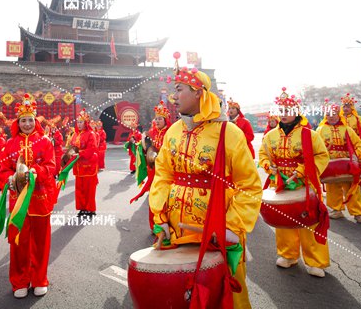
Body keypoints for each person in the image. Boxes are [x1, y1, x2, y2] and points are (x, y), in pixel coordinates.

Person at [149, 58, 262, 308]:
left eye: (179, 89)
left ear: (199, 92)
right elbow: (163, 175)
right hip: (177, 229)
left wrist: (230, 228)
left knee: (226, 294)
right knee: (180, 292)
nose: (173, 96)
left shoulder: (228, 133)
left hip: (217, 230)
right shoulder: (173, 132)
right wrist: (160, 217)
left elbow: (250, 186)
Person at [259, 88, 330, 278]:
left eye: (287, 111)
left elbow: (322, 155)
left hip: (304, 185)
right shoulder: (270, 136)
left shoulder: (310, 134)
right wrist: (268, 167)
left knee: (309, 223)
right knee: (284, 223)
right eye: (281, 111)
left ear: (296, 112)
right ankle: (288, 255)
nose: (283, 115)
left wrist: (301, 171)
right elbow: (263, 155)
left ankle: (315, 261)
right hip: (280, 184)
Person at [0, 94, 56, 298]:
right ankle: (20, 281)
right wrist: (10, 177)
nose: (27, 123)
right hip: (18, 201)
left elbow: (51, 167)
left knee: (41, 243)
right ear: (18, 122)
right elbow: (2, 169)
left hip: (41, 199)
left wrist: (35, 172)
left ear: (35, 120)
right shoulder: (10, 144)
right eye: (23, 120)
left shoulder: (45, 142)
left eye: (30, 119)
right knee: (19, 243)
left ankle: (40, 279)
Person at [317, 103, 361, 224]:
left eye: (334, 114)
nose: (331, 117)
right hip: (330, 165)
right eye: (328, 114)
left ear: (338, 114)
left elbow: (358, 144)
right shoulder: (320, 130)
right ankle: (336, 210)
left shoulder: (347, 129)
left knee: (353, 188)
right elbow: (316, 147)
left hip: (347, 164)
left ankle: (358, 213)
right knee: (332, 188)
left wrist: (356, 155)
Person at [130, 101, 171, 231]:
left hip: (165, 171)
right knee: (153, 199)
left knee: (165, 200)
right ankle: (154, 227)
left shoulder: (170, 133)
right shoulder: (151, 133)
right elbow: (145, 148)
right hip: (152, 170)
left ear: (165, 120)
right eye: (156, 118)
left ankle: (166, 227)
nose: (157, 121)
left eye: (160, 118)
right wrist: (140, 145)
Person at [68, 108, 99, 219]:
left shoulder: (91, 134)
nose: (79, 124)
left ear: (85, 123)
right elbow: (72, 147)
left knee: (89, 190)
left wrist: (79, 154)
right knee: (79, 189)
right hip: (78, 167)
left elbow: (92, 150)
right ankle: (82, 208)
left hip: (89, 166)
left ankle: (90, 209)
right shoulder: (76, 135)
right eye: (78, 122)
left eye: (81, 122)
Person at [340, 93, 361, 195]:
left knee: (360, 165)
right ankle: (343, 187)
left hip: (356, 146)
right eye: (344, 106)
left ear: (352, 107)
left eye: (348, 106)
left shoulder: (359, 119)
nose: (346, 108)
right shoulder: (338, 119)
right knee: (343, 166)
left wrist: (357, 143)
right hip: (342, 147)